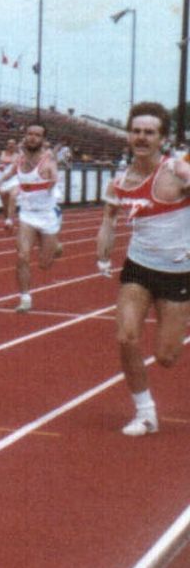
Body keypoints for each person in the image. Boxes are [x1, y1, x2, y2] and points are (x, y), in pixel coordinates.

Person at [95, 101, 190, 435]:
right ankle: (145, 412)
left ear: (161, 137)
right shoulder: (118, 181)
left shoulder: (177, 173)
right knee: (126, 336)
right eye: (136, 131)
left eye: (149, 132)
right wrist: (103, 255)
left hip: (178, 271)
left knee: (166, 357)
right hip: (138, 267)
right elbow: (108, 222)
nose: (142, 137)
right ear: (128, 135)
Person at [4, 120, 63, 311]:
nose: (32, 137)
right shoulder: (19, 158)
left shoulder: (49, 159)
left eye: (37, 135)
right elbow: (9, 173)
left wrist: (51, 182)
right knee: (22, 256)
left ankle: (55, 246)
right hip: (27, 214)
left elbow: (55, 177)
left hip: (47, 215)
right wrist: (0, 184)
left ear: (43, 139)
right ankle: (25, 298)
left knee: (45, 264)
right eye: (30, 133)